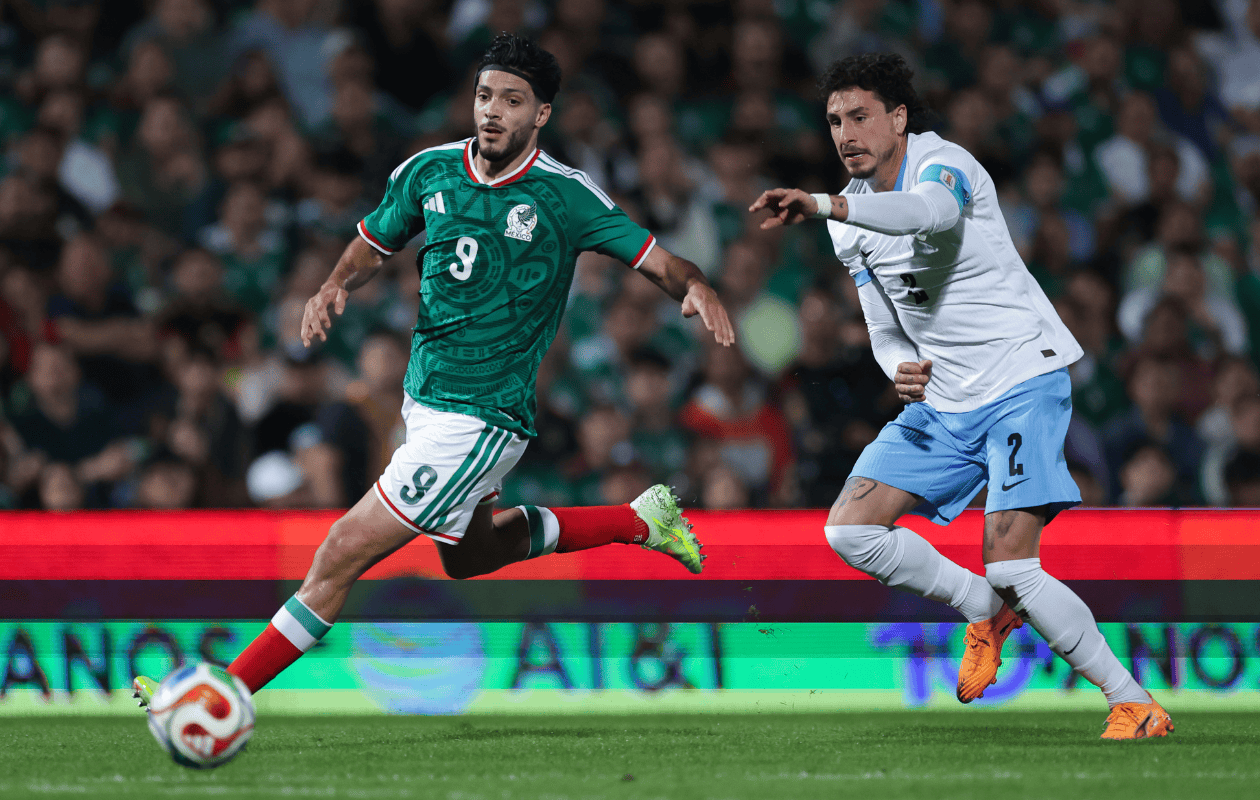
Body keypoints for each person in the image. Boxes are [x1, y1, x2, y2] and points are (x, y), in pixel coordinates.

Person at [134, 33, 733, 703]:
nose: (493, 112)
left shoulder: (567, 197)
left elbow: (659, 260)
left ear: (541, 115)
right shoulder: (430, 170)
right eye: (484, 96)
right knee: (469, 556)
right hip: (424, 405)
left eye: (512, 100)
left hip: (481, 418)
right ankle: (637, 520)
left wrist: (695, 286)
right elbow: (372, 240)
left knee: (338, 553)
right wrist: (335, 283)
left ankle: (215, 697)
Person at [749, 53, 1170, 740]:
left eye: (859, 115)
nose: (846, 132)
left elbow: (931, 213)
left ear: (898, 117)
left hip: (1019, 379)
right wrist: (896, 367)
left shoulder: (946, 165)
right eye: (833, 120)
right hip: (943, 401)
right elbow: (883, 324)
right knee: (849, 531)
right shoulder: (846, 223)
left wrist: (825, 201)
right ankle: (984, 608)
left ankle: (1134, 702)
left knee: (1015, 563)